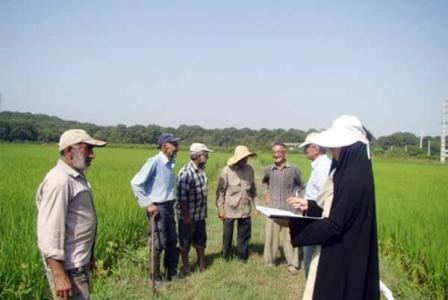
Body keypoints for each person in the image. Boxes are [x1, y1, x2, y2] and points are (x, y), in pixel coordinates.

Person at [287, 115, 380, 300]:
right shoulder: (348, 173)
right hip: (342, 250)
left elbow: (336, 223)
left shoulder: (353, 179)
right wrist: (310, 206)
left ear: (349, 148)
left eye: (336, 146)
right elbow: (335, 207)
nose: (332, 151)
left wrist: (295, 225)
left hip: (343, 255)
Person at [36, 129, 107, 300]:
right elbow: (50, 230)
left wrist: (89, 255)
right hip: (68, 269)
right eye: (87, 149)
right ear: (70, 151)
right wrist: (59, 275)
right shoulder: (59, 181)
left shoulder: (74, 177)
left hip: (78, 263)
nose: (92, 155)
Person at [130, 133, 181, 287]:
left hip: (169, 206)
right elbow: (135, 183)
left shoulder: (170, 163)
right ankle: (154, 277)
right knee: (158, 242)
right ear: (165, 146)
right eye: (174, 145)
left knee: (172, 240)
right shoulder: (154, 162)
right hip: (157, 207)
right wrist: (148, 203)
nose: (177, 148)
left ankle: (171, 272)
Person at [293, 133, 331, 278]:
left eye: (306, 148)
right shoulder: (320, 166)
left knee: (311, 260)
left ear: (315, 149)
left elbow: (325, 199)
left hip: (315, 219)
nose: (304, 151)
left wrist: (306, 204)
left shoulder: (322, 169)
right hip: (312, 215)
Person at [262, 142, 304, 274]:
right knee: (270, 237)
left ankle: (292, 264)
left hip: (289, 209)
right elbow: (264, 182)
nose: (277, 155)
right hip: (273, 208)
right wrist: (266, 194)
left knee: (290, 238)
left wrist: (300, 201)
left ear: (285, 152)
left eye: (279, 152)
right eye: (274, 152)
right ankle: (269, 262)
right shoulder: (269, 169)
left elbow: (302, 186)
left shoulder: (294, 169)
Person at [176, 143, 213, 274]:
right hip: (188, 216)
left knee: (201, 241)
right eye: (205, 154)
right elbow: (182, 198)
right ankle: (186, 268)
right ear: (199, 155)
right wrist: (186, 217)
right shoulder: (186, 173)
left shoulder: (201, 170)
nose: (207, 157)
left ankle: (202, 266)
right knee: (185, 243)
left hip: (200, 215)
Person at [216, 145, 257, 262]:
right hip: (230, 208)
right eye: (243, 158)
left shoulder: (250, 170)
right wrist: (220, 208)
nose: (245, 160)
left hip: (245, 207)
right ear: (237, 159)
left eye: (247, 158)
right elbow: (220, 191)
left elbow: (253, 189)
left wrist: (256, 205)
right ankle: (225, 256)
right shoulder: (227, 170)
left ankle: (242, 257)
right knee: (227, 235)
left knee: (244, 235)